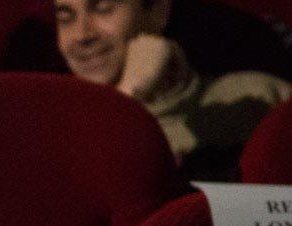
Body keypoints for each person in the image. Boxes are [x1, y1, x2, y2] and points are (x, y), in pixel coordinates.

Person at [55, 0, 290, 180]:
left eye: (104, 8)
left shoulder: (256, 96)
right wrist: (129, 96)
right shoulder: (54, 126)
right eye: (65, 17)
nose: (82, 35)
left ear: (158, 11)